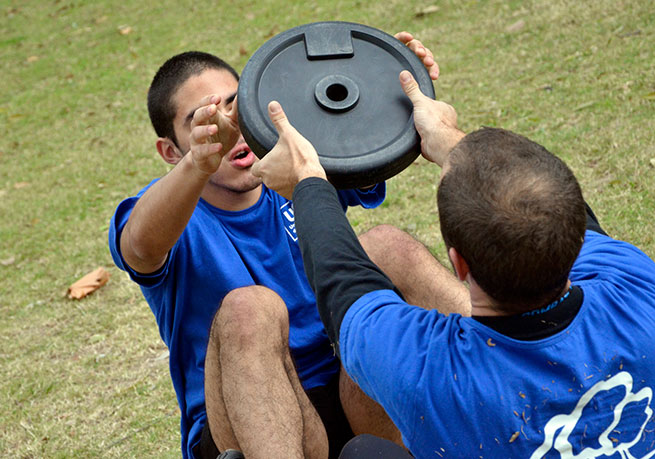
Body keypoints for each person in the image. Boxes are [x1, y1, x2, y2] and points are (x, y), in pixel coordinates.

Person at [251, 71, 655, 458]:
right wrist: (449, 139)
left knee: (365, 453)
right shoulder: (640, 290)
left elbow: (341, 281)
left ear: (458, 263)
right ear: (576, 236)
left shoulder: (434, 373)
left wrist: (307, 179)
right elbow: (555, 204)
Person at [108, 34, 444, 458]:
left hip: (353, 398)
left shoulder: (294, 164)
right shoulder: (169, 211)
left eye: (234, 104)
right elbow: (139, 248)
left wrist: (398, 83)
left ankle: (519, 384)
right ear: (171, 151)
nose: (228, 126)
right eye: (203, 120)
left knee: (386, 245)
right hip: (247, 423)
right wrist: (200, 161)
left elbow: (370, 131)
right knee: (251, 307)